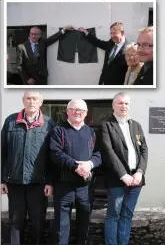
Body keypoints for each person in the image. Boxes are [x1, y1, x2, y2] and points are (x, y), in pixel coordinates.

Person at [1, 91, 55, 244]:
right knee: (15, 222)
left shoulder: (49, 124)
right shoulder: (11, 121)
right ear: (23, 101)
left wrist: (50, 181)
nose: (31, 102)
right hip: (15, 182)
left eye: (35, 99)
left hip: (38, 183)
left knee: (37, 222)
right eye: (28, 98)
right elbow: (2, 152)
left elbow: (53, 157)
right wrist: (1, 180)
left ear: (41, 102)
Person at [49, 99, 102, 245]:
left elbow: (98, 154)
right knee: (61, 226)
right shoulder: (58, 130)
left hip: (85, 187)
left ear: (86, 113)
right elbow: (56, 153)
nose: (77, 112)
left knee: (84, 224)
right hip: (63, 185)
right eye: (73, 109)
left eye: (81, 110)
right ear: (67, 111)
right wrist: (76, 166)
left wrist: (89, 165)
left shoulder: (91, 132)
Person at [100, 92, 148, 245]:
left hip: (136, 180)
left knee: (127, 215)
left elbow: (144, 150)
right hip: (117, 180)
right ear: (113, 105)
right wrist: (123, 174)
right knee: (113, 215)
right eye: (120, 103)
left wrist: (140, 171)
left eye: (126, 103)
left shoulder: (136, 125)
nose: (123, 106)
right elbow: (108, 153)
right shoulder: (106, 125)